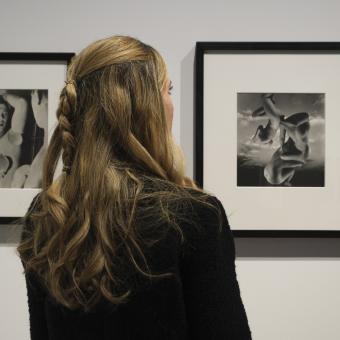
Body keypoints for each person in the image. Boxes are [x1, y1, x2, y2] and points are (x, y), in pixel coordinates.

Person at [15, 35, 252, 340]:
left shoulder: (48, 210)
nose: (171, 104)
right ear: (145, 107)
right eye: (168, 90)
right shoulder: (194, 215)